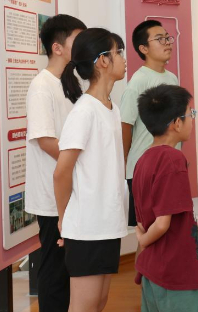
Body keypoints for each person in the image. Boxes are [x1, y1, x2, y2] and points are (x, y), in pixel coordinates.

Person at [54, 28, 128, 312]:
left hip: (107, 223)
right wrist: (64, 217)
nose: (123, 59)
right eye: (118, 52)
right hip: (86, 228)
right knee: (83, 306)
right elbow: (61, 172)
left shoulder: (112, 108)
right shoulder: (84, 111)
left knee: (99, 303)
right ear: (102, 61)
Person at [133, 84, 198, 312]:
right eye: (191, 114)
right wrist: (143, 241)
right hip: (175, 273)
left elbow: (142, 221)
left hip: (152, 271)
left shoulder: (142, 161)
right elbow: (162, 223)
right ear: (177, 123)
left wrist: (142, 240)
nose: (192, 120)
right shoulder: (173, 160)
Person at [25, 14, 87, 312]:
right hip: (53, 197)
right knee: (54, 269)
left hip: (71, 190)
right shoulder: (42, 85)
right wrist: (80, 161)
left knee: (68, 268)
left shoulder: (71, 82)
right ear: (57, 47)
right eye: (78, 39)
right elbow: (45, 140)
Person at [120, 20, 178, 254]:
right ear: (143, 48)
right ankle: (144, 276)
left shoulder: (172, 78)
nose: (167, 42)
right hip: (144, 169)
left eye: (167, 37)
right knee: (146, 234)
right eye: (159, 39)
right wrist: (127, 165)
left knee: (166, 232)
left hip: (168, 165)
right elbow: (125, 125)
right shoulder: (139, 81)